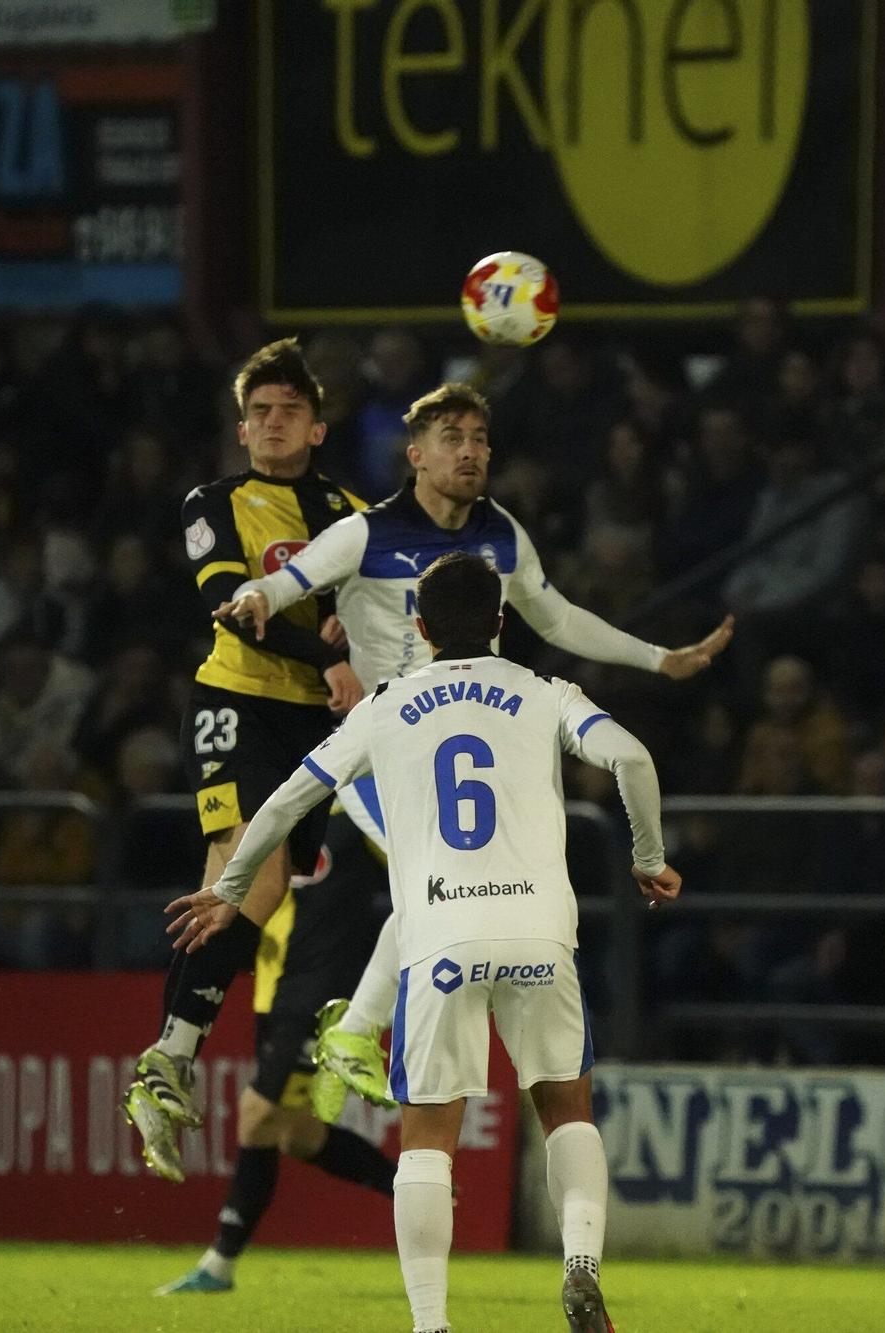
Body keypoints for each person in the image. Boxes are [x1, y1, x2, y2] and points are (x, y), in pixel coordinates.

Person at [165, 380, 728, 1296]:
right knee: (563, 1097)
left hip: (393, 740)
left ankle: (357, 1032)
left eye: (479, 437)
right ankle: (364, 1036)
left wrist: (658, 655)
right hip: (461, 808)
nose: (468, 450)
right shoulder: (374, 535)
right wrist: (256, 598)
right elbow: (291, 576)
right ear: (414, 453)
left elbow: (560, 614)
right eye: (449, 436)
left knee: (427, 1063)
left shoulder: (501, 535)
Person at [120, 340, 369, 1190]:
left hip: (324, 725)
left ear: (318, 425)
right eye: (259, 412)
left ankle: (171, 1057)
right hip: (238, 701)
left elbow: (370, 619)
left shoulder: (350, 510)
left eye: (288, 411)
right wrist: (326, 652)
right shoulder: (216, 500)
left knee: (263, 893)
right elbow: (229, 607)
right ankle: (168, 1058)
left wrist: (356, 648)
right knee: (242, 874)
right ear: (241, 427)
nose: (272, 423)